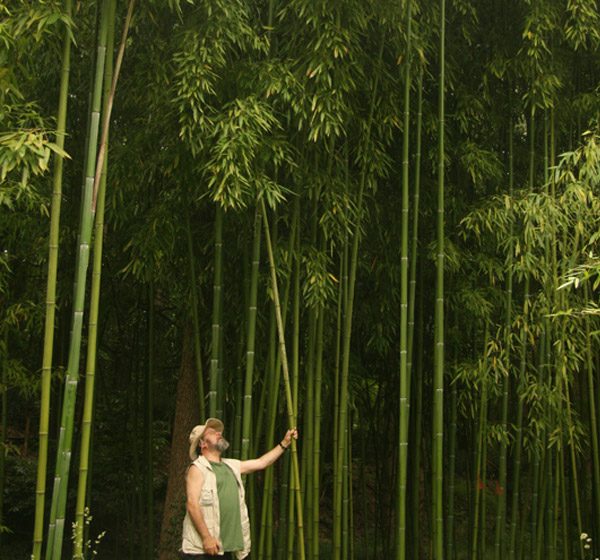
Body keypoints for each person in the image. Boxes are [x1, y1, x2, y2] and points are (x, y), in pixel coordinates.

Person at [180, 418, 298, 559]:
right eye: (212, 433)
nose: (218, 433)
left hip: (225, 547)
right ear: (202, 443)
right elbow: (192, 504)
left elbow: (261, 463)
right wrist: (206, 537)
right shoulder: (197, 468)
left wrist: (284, 443)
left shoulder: (231, 465)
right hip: (202, 550)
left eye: (218, 432)